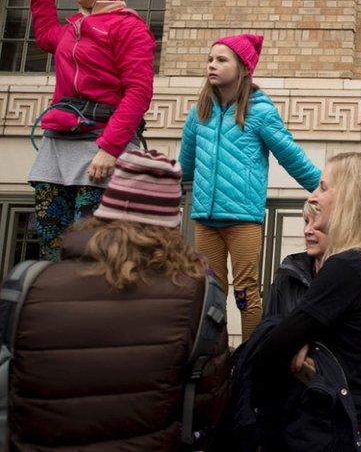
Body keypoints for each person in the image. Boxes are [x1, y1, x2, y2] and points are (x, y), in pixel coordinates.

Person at [7, 149, 230, 449]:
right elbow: (208, 407)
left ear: (103, 212)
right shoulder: (199, 296)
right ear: (173, 222)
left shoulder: (30, 283)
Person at [253, 152, 361, 451]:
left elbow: (269, 352)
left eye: (323, 187)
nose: (313, 196)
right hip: (353, 426)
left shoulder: (348, 266)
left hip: (330, 431)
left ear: (351, 198)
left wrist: (295, 338)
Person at [179, 34, 321, 340]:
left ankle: (248, 361)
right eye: (210, 59)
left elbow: (291, 156)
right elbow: (185, 166)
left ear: (243, 68)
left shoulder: (260, 111)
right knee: (211, 295)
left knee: (246, 294)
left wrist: (324, 189)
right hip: (205, 220)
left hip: (243, 219)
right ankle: (216, 364)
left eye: (221, 60)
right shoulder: (198, 112)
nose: (212, 66)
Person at [26, 0, 154, 261]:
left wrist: (109, 149)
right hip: (57, 148)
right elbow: (45, 37)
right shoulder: (72, 28)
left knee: (91, 252)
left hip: (100, 149)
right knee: (51, 249)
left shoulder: (131, 29)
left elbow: (138, 92)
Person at [263, 200, 328, 318]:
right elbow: (268, 328)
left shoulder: (356, 278)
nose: (307, 230)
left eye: (317, 223)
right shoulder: (289, 272)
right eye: (307, 222)